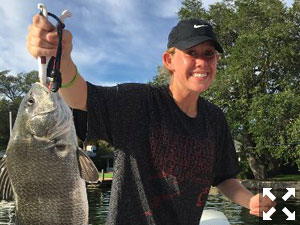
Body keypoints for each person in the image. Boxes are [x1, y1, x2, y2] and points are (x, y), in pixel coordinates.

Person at [27, 15, 275, 225]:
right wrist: (62, 59)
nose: (202, 62)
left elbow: (224, 177)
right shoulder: (139, 102)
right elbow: (81, 97)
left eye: (208, 54)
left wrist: (250, 200)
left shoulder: (215, 118)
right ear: (169, 61)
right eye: (191, 52)